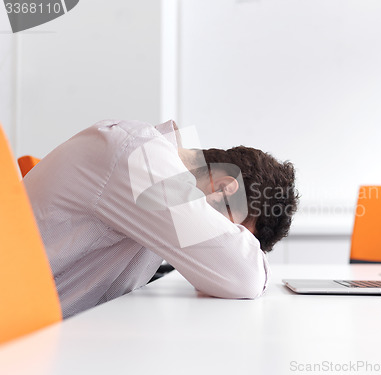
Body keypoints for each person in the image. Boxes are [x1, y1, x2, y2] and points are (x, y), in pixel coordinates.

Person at [24, 119, 299, 318]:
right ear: (224, 189)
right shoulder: (139, 155)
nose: (220, 234)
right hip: (23, 341)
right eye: (230, 230)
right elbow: (243, 275)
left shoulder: (152, 168)